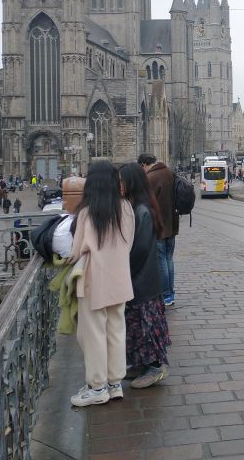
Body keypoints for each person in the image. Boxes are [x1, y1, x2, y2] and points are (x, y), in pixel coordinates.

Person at [68, 160, 136, 407]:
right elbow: (128, 244)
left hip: (94, 279)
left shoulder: (87, 212)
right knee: (117, 330)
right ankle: (115, 383)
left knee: (94, 333)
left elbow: (75, 252)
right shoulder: (126, 208)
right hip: (120, 278)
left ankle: (97, 387)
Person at [120, 163, 171, 389]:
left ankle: (154, 367)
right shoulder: (138, 207)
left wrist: (123, 266)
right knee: (137, 326)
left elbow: (139, 249)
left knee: (146, 326)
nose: (119, 186)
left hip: (143, 281)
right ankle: (141, 364)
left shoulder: (141, 210)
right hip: (144, 280)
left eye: (122, 181)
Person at [137, 153, 179, 307]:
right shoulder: (169, 172)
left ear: (144, 164)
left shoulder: (150, 178)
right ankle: (171, 293)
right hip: (172, 224)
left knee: (161, 260)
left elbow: (145, 202)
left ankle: (166, 294)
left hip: (159, 226)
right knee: (169, 259)